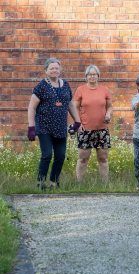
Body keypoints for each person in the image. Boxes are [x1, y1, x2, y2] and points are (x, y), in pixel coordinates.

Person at [27, 58, 81, 190]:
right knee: (47, 155)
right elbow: (32, 107)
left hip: (61, 127)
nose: (54, 70)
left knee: (61, 156)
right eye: (51, 68)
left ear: (60, 70)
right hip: (44, 127)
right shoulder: (41, 86)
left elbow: (70, 104)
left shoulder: (66, 85)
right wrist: (31, 127)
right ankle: (40, 183)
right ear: (46, 71)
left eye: (56, 68)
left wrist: (77, 121)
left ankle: (53, 182)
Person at [73, 64, 112, 181]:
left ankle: (105, 184)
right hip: (85, 129)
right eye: (89, 75)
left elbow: (110, 107)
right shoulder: (80, 90)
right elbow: (74, 108)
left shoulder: (105, 90)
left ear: (98, 76)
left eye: (94, 74)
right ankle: (80, 184)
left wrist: (108, 114)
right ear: (86, 76)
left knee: (103, 158)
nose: (92, 77)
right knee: (83, 158)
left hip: (102, 129)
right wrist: (77, 123)